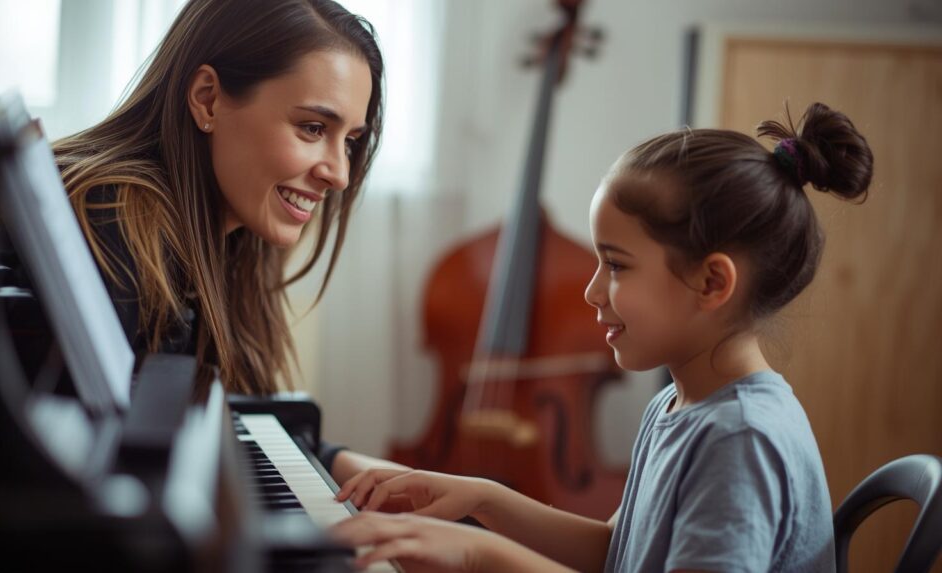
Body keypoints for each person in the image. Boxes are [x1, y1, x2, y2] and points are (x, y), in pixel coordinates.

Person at [330, 102, 874, 572]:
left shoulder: (741, 439)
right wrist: (483, 498)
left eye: (616, 266)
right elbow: (615, 552)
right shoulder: (681, 404)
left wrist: (479, 554)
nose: (592, 292)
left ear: (712, 283)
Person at [47, 0, 403, 482]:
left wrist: (378, 478)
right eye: (313, 128)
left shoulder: (233, 233)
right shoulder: (109, 220)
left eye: (350, 141)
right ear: (208, 99)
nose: (339, 174)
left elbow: (233, 426)